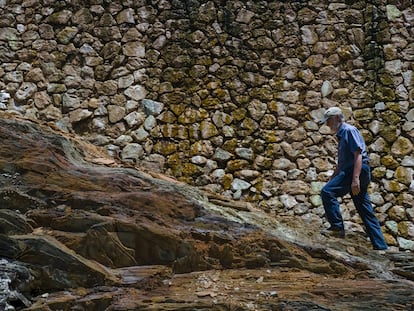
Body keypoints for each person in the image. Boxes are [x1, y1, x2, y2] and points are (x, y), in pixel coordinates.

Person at [319, 107, 388, 251]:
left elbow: (358, 154)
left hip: (356, 170)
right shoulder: (341, 134)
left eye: (329, 121)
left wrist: (355, 179)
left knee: (327, 192)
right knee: (365, 209)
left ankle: (337, 228)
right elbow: (342, 163)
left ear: (338, 118)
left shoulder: (349, 130)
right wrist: (333, 178)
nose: (327, 125)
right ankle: (381, 247)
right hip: (352, 170)